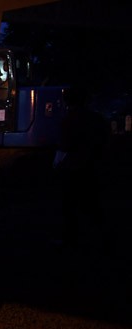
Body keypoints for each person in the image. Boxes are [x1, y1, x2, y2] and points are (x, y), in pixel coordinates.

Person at [55, 86, 109, 250]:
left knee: (69, 206)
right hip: (92, 165)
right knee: (92, 204)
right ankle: (102, 238)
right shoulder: (97, 118)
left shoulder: (69, 119)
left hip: (73, 167)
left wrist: (57, 163)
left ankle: (70, 240)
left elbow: (64, 145)